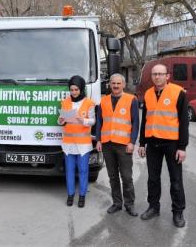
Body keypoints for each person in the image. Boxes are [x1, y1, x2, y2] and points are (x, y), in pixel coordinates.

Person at [138, 64, 189, 228]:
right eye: (154, 74)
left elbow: (184, 123)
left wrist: (182, 147)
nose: (157, 77)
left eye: (160, 74)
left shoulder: (178, 92)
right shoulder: (148, 94)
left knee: (176, 180)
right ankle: (153, 207)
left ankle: (178, 212)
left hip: (172, 144)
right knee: (153, 179)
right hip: (153, 143)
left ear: (167, 76)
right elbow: (145, 120)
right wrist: (142, 143)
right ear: (151, 77)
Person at [95, 73, 139, 216]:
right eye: (113, 83)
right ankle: (117, 203)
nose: (115, 86)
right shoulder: (103, 100)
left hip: (124, 144)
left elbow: (135, 124)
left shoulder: (131, 99)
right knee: (113, 176)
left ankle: (129, 204)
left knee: (126, 177)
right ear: (110, 84)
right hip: (107, 144)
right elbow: (99, 122)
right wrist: (99, 140)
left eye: (118, 83)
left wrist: (132, 142)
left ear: (123, 85)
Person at [58, 75, 95, 208]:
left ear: (81, 89)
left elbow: (92, 120)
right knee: (69, 170)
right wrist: (61, 120)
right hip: (68, 144)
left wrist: (83, 120)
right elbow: (61, 119)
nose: (74, 92)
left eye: (76, 89)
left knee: (84, 170)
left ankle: (82, 196)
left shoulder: (89, 103)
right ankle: (70, 195)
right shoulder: (65, 102)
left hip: (83, 144)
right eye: (72, 89)